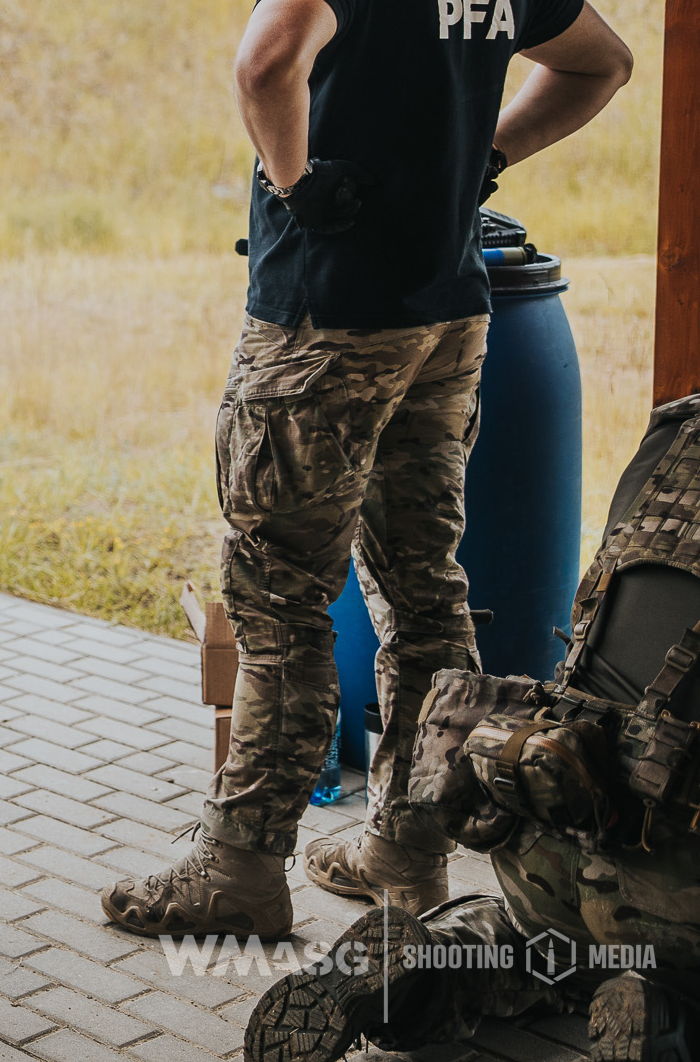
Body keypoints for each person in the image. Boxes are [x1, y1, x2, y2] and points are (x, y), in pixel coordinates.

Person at [102, 0, 633, 939]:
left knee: (280, 599)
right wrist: (488, 155)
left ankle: (241, 871)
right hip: (445, 319)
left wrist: (297, 183)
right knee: (424, 589)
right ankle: (404, 847)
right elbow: (601, 62)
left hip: (324, 326)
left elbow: (264, 63)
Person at [244, 393, 700, 1060]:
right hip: (677, 878)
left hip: (551, 825)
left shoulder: (674, 429)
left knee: (544, 947)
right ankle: (665, 1022)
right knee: (652, 950)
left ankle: (431, 964)